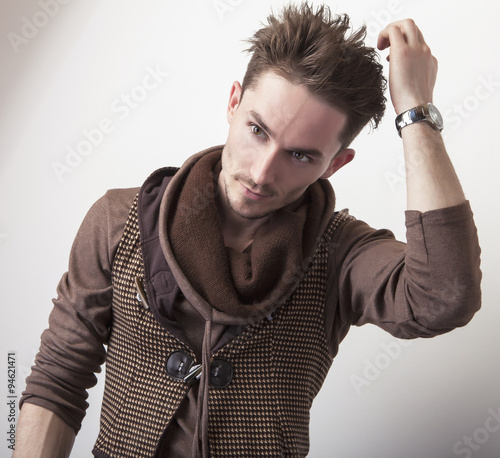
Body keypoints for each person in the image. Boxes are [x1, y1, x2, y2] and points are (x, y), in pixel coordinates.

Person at [15, 3, 481, 457]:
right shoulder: (119, 218)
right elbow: (60, 374)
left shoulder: (342, 253)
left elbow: (442, 297)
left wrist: (416, 112)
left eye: (301, 155)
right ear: (234, 102)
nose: (262, 173)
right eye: (258, 130)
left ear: (336, 164)